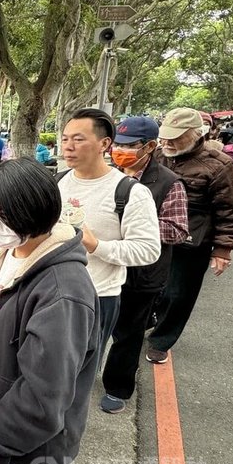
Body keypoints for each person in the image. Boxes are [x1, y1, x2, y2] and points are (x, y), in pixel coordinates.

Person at [0, 158, 101, 464]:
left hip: (30, 444)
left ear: (33, 212)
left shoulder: (62, 292)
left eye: (1, 214)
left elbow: (45, 393)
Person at [100, 117, 188, 414]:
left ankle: (117, 387)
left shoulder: (168, 183)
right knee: (91, 328)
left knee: (128, 333)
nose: (120, 151)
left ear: (149, 147)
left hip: (141, 274)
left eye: (130, 146)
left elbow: (178, 230)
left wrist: (139, 225)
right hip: (105, 266)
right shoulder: (108, 175)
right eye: (117, 145)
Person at [57, 108, 160, 354]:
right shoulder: (56, 182)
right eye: (65, 138)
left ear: (104, 143)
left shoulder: (130, 192)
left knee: (80, 369)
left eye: (78, 139)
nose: (68, 146)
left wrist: (97, 246)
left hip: (97, 297)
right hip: (51, 291)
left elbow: (148, 250)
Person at [147, 107, 233, 363]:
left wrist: (223, 249)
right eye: (165, 136)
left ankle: (161, 340)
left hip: (194, 239)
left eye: (176, 137)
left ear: (196, 134)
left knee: (179, 293)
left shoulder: (219, 165)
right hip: (158, 231)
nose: (168, 142)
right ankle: (150, 320)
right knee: (151, 285)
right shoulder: (157, 154)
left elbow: (229, 210)